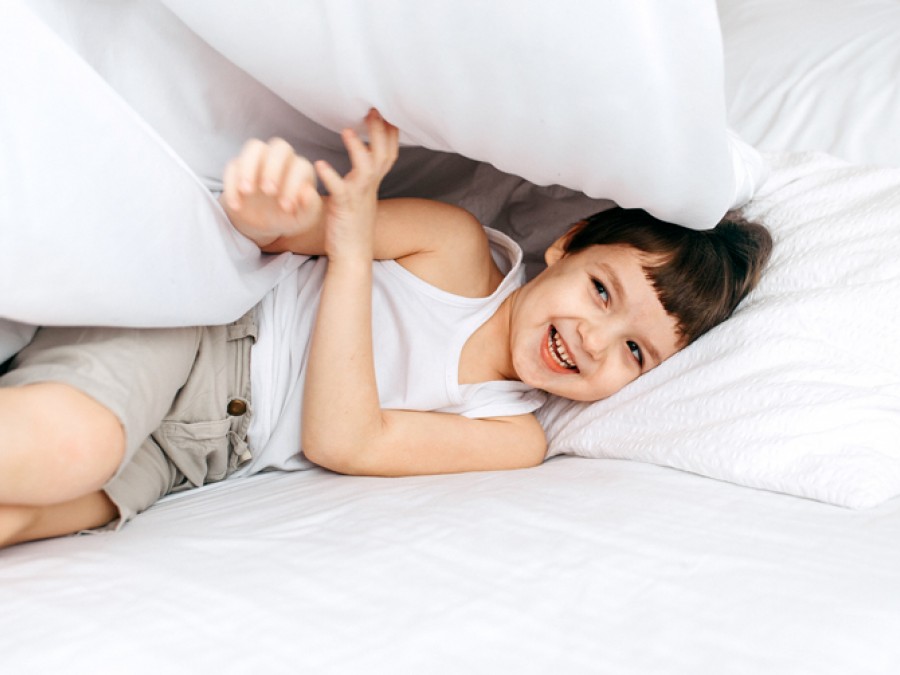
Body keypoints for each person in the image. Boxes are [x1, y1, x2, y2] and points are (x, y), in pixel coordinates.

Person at [0, 110, 772, 547]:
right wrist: (284, 215)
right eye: (602, 291)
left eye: (635, 351)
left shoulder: (514, 435)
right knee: (73, 448)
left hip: (208, 453)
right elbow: (297, 235)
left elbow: (345, 439)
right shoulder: (453, 244)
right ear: (566, 244)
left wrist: (346, 245)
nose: (594, 341)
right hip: (205, 335)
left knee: (27, 517)